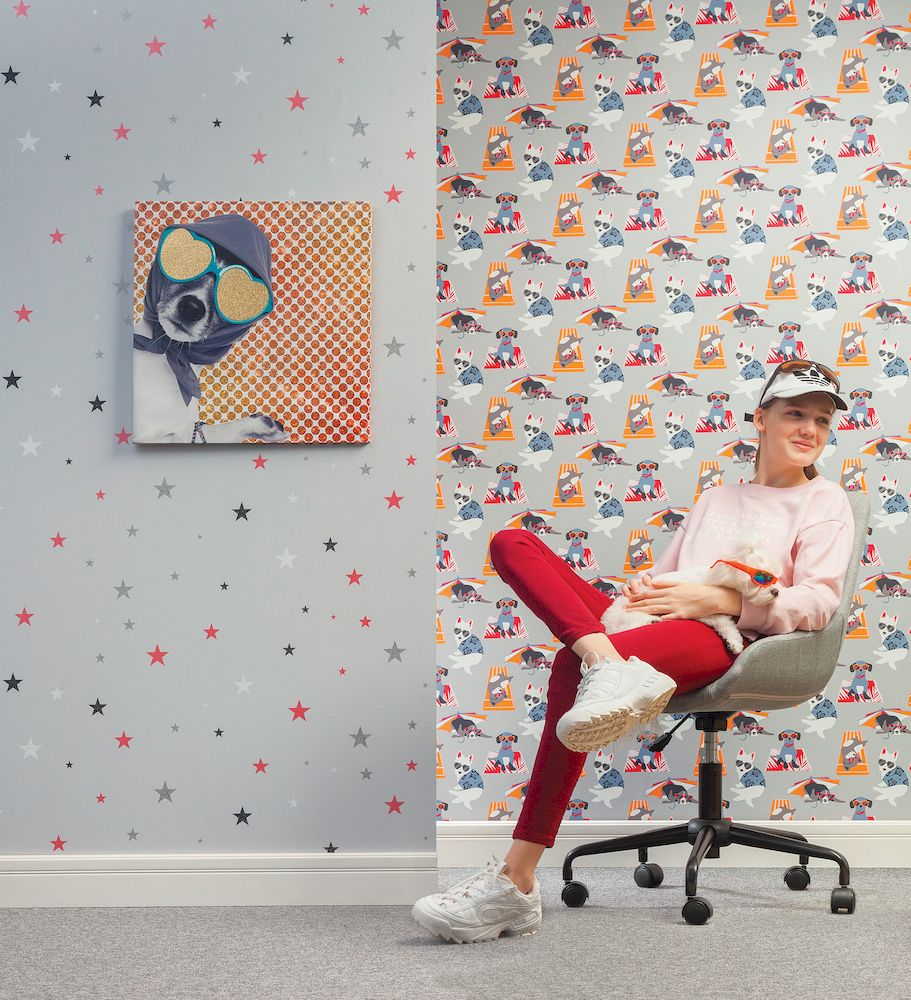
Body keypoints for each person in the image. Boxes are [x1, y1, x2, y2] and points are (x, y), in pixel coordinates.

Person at [412, 359, 856, 944]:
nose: (809, 429)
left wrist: (719, 600)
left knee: (569, 662)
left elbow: (818, 602)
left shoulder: (824, 500)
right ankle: (605, 660)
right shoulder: (717, 497)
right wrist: (643, 588)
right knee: (512, 542)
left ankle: (515, 881)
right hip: (652, 621)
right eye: (796, 413)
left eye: (822, 420)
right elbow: (667, 576)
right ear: (760, 419)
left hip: (727, 638)